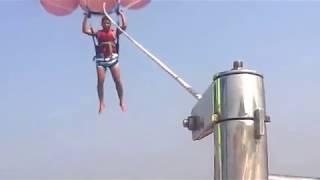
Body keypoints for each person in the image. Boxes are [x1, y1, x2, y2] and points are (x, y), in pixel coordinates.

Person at [82, 11, 128, 113]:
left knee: (118, 81)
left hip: (113, 59)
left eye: (108, 22)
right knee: (100, 81)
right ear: (102, 24)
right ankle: (101, 102)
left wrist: (121, 14)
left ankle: (121, 101)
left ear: (110, 23)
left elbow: (124, 26)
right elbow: (84, 30)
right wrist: (86, 17)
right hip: (101, 60)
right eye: (105, 22)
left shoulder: (114, 32)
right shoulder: (98, 33)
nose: (107, 24)